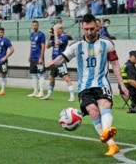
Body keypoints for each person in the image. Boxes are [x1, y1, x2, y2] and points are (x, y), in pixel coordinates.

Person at [46, 13, 129, 156]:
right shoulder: (76, 46)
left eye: (92, 29)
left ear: (97, 26)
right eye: (86, 29)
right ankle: (111, 144)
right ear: (82, 28)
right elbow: (62, 57)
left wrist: (122, 85)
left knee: (104, 106)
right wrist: (52, 63)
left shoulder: (107, 43)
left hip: (102, 83)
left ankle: (106, 132)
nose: (89, 32)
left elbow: (115, 64)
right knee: (93, 111)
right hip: (84, 86)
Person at [41, 24, 75, 101]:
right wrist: (49, 36)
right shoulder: (55, 37)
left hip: (60, 61)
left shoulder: (64, 37)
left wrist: (55, 34)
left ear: (60, 29)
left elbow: (57, 43)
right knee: (51, 78)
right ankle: (49, 95)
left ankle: (72, 96)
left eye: (55, 29)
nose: (54, 31)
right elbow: (48, 46)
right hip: (53, 61)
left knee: (66, 78)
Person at [27, 20, 46, 98]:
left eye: (36, 25)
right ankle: (35, 91)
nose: (34, 26)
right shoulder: (31, 35)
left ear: (38, 26)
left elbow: (43, 46)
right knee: (33, 75)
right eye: (33, 25)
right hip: (33, 58)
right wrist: (29, 55)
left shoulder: (41, 34)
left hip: (39, 58)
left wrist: (41, 57)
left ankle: (41, 92)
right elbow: (32, 46)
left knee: (40, 74)